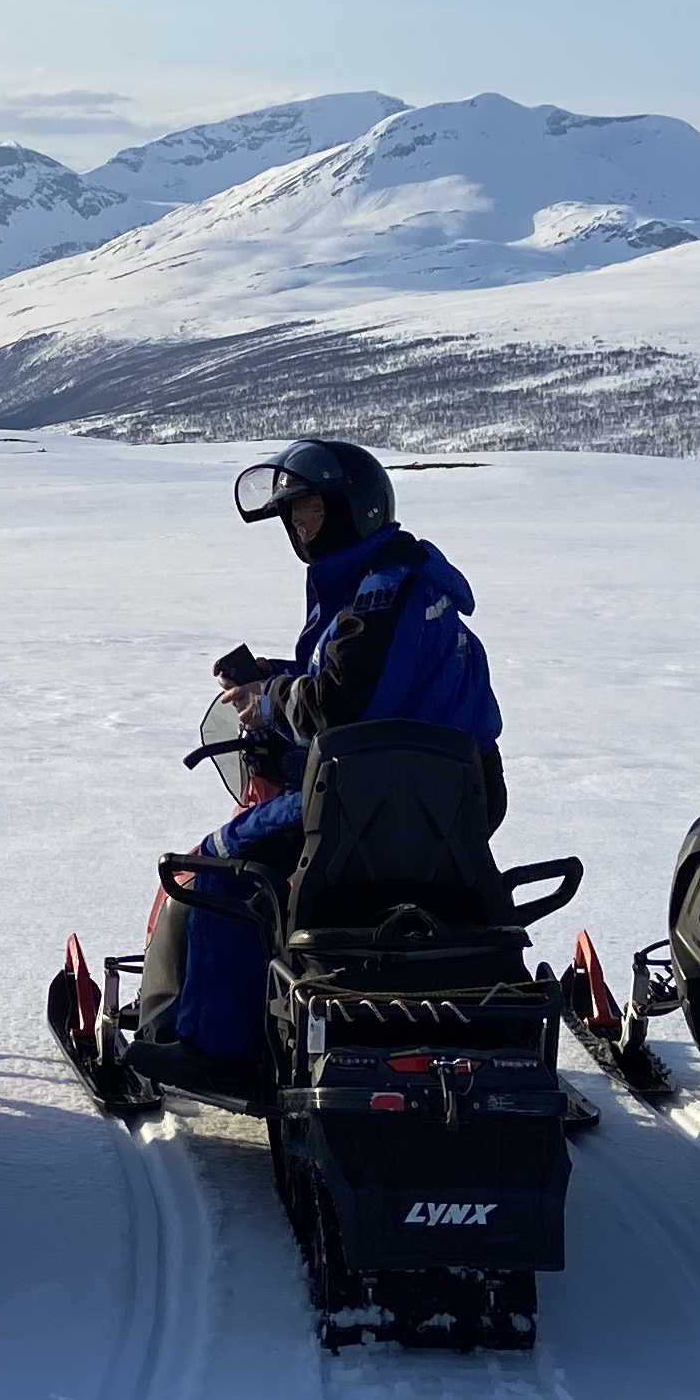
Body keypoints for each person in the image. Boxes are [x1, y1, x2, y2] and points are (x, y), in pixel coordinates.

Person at [152, 439, 501, 1076]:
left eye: (310, 510)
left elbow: (341, 703)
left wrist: (273, 700)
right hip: (447, 805)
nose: (299, 527)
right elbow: (369, 682)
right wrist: (279, 675)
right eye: (292, 515)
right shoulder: (405, 583)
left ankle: (215, 1046)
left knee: (221, 864)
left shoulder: (378, 596)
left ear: (352, 510)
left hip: (370, 803)